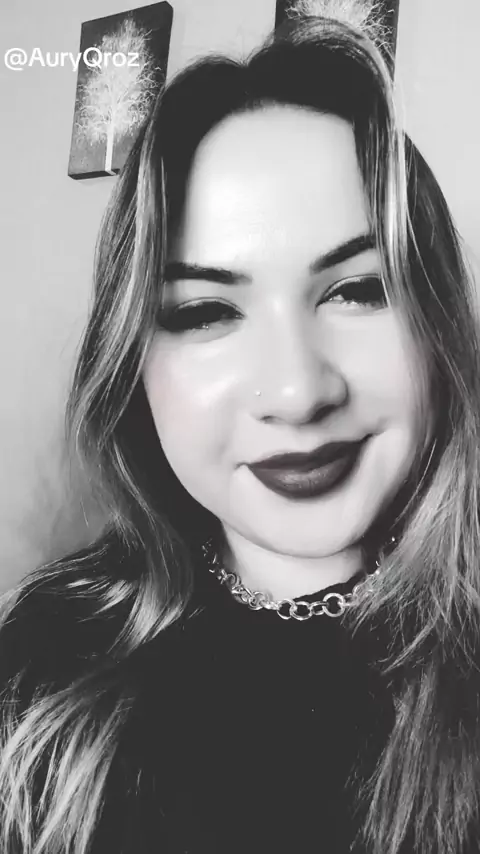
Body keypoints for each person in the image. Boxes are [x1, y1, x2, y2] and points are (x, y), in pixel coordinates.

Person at [1, 11, 480, 854]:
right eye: (206, 311)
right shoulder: (40, 665)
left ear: (436, 321)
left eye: (358, 290)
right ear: (130, 364)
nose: (297, 393)